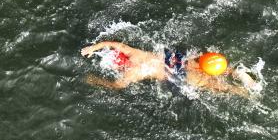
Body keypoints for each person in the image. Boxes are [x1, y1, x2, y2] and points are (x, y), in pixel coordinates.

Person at [81, 42, 261, 97]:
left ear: (117, 67)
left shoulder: (130, 74)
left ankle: (244, 93)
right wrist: (93, 48)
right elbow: (115, 44)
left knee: (212, 85)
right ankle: (235, 72)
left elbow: (117, 85)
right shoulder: (134, 54)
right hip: (174, 60)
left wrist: (95, 81)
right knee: (204, 64)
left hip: (174, 74)